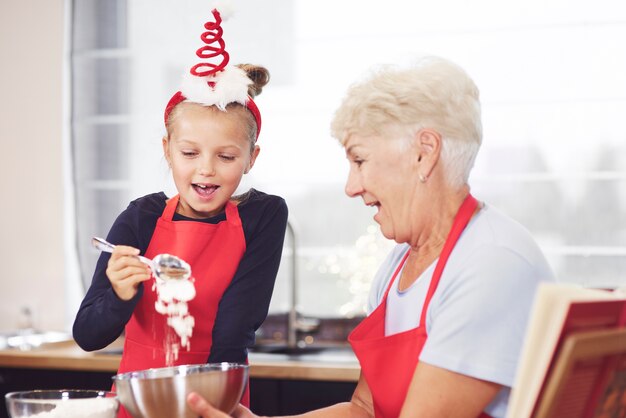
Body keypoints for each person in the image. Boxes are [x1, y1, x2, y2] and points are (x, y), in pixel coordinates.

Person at [185, 56, 555, 418]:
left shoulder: (490, 263)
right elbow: (364, 409)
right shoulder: (398, 266)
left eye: (359, 160)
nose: (351, 186)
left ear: (424, 154)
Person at [72, 6, 287, 418]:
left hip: (218, 401)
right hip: (138, 405)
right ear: (167, 150)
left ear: (251, 158)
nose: (205, 168)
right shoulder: (140, 218)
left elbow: (235, 328)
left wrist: (209, 406)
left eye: (226, 156)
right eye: (189, 152)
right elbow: (88, 335)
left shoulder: (264, 216)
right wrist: (120, 293)